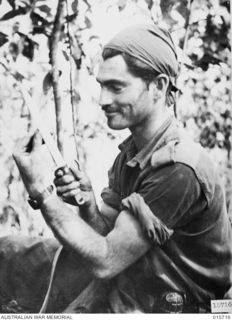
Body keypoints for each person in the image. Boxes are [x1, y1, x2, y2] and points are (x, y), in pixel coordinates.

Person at [13, 24, 232, 313]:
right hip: (138, 282)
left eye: (116, 87)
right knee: (10, 251)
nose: (103, 100)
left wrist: (41, 191)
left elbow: (106, 261)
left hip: (178, 307)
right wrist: (89, 205)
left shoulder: (178, 168)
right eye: (102, 86)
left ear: (159, 86)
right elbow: (107, 235)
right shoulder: (134, 151)